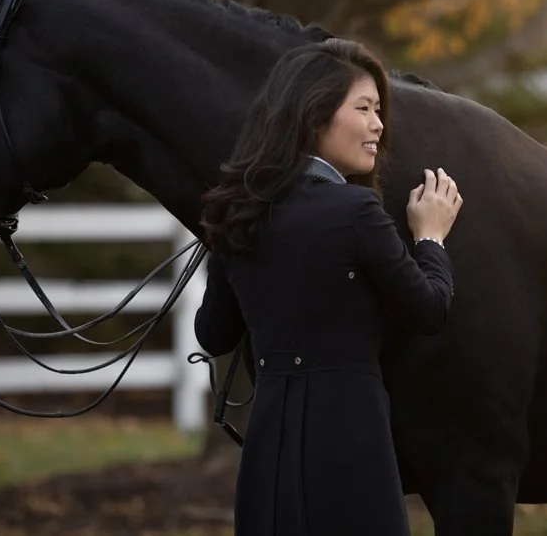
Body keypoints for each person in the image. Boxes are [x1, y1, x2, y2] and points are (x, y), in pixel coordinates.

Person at [193, 38, 462, 535]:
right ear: (314, 114)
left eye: (378, 109)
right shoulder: (354, 211)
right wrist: (431, 236)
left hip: (270, 437)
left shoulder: (237, 214)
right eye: (364, 108)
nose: (379, 124)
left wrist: (223, 238)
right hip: (350, 434)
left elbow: (213, 334)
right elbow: (428, 310)